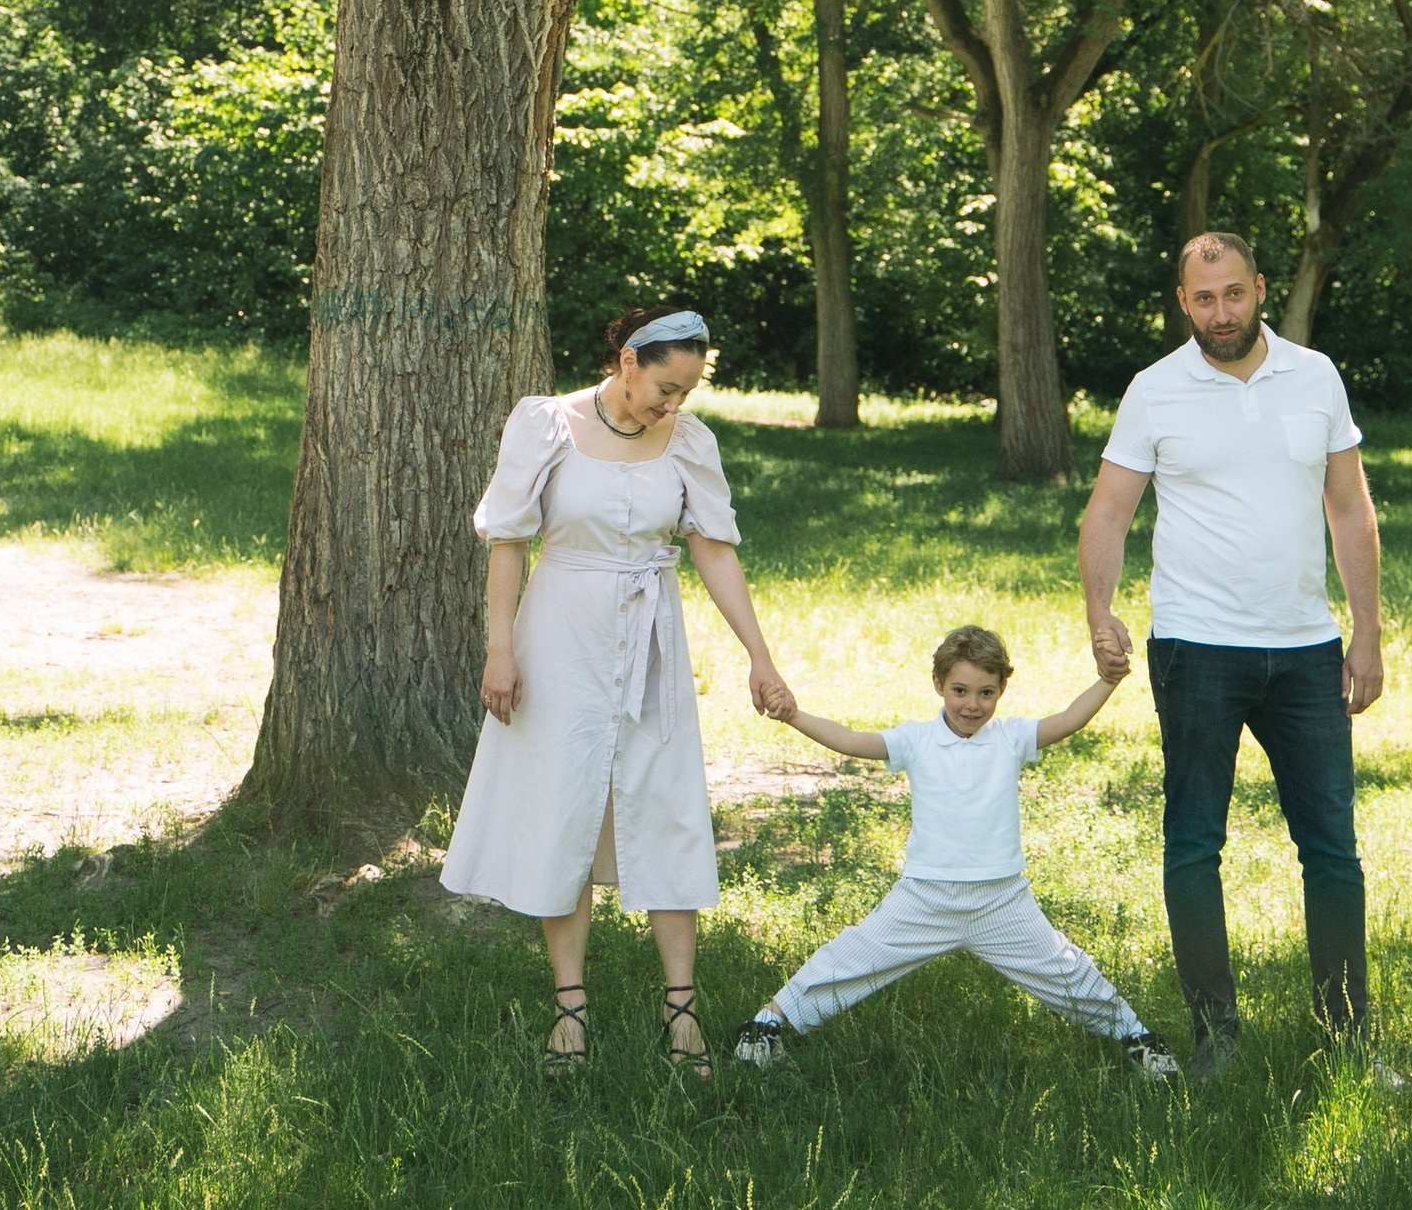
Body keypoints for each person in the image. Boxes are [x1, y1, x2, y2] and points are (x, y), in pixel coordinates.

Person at [441, 299, 794, 1076]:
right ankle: (570, 1008)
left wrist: (759, 655)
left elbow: (715, 550)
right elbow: (509, 543)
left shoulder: (689, 442)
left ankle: (682, 1009)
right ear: (629, 361)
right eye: (667, 387)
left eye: (687, 391)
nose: (674, 403)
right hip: (559, 634)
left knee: (666, 804)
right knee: (564, 806)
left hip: (652, 639)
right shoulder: (545, 424)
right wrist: (499, 650)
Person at [1080, 226, 1387, 1079]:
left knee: (1332, 849)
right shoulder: (1154, 389)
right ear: (1185, 302)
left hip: (1306, 650)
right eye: (1204, 298)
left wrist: (1366, 629)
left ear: (1259, 289)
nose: (1222, 312)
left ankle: (1348, 1037)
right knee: (1193, 843)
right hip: (1196, 649)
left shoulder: (1315, 375)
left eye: (1235, 293)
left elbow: (1350, 508)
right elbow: (1108, 512)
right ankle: (1215, 1036)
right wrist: (1100, 612)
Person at [733, 621, 1179, 1077]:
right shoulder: (916, 740)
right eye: (960, 691)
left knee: (1065, 970)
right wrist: (793, 715)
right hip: (925, 895)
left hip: (1001, 897)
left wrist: (1108, 680)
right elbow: (850, 739)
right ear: (938, 684)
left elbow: (1068, 720)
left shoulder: (1010, 738)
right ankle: (766, 1026)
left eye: (986, 693)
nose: (972, 705)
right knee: (852, 958)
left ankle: (1136, 1037)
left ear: (1002, 689)